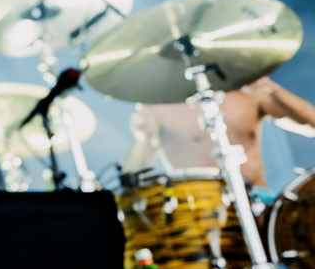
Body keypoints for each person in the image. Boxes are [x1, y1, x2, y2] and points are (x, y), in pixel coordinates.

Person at [122, 75, 315, 191]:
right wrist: (142, 139)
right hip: (199, 209)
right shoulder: (158, 106)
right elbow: (132, 179)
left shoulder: (249, 91)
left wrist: (274, 90)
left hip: (260, 203)